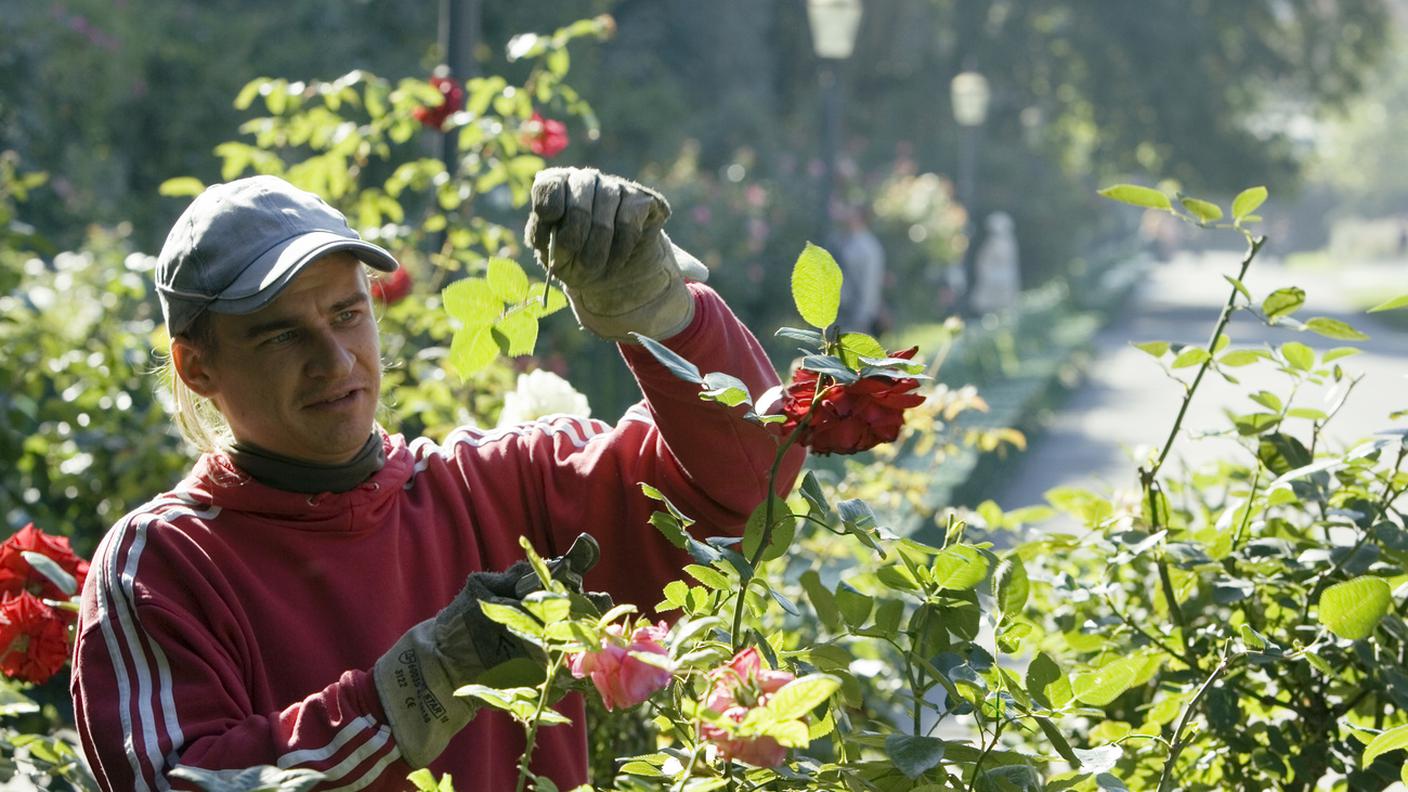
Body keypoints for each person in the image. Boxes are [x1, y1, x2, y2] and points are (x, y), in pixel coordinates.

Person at [70, 170, 802, 790]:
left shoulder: (500, 484)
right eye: (282, 334)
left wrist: (662, 315)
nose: (335, 359)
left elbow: (745, 490)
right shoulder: (162, 564)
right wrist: (419, 684)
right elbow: (177, 781)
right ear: (198, 367)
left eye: (347, 314)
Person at [833, 202, 887, 335]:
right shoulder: (842, 240)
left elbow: (870, 283)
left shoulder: (869, 248)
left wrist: (863, 316)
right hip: (840, 309)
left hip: (856, 313)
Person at [968, 211, 1021, 315]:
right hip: (994, 275)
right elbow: (984, 261)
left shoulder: (1008, 243)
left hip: (1004, 275)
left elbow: (1009, 260)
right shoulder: (992, 243)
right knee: (990, 301)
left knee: (1004, 300)